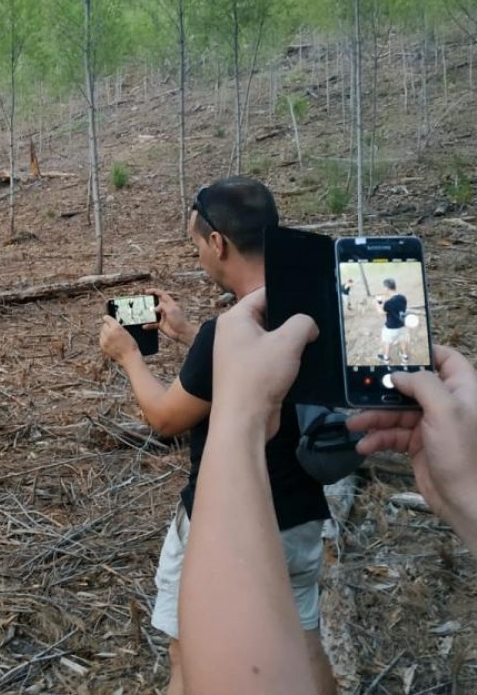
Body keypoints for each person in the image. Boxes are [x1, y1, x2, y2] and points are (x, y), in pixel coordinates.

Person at [99, 177, 335, 695]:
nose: (200, 257)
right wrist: (189, 334)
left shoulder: (224, 334)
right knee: (304, 644)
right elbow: (254, 375)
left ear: (218, 242)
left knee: (189, 653)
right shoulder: (309, 311)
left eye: (197, 246)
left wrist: (128, 355)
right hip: (299, 517)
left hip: (225, 519)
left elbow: (165, 418)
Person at [179, 288, 477, 694]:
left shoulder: (225, 338)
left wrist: (241, 414)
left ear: (219, 251)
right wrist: (466, 491)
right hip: (306, 518)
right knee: (307, 635)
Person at [376, 278, 410, 364]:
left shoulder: (388, 303)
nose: (382, 289)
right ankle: (405, 357)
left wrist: (377, 303)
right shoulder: (403, 297)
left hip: (391, 328)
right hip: (402, 325)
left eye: (383, 287)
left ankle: (386, 358)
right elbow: (397, 308)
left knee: (387, 342)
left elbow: (381, 313)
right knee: (402, 340)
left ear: (387, 288)